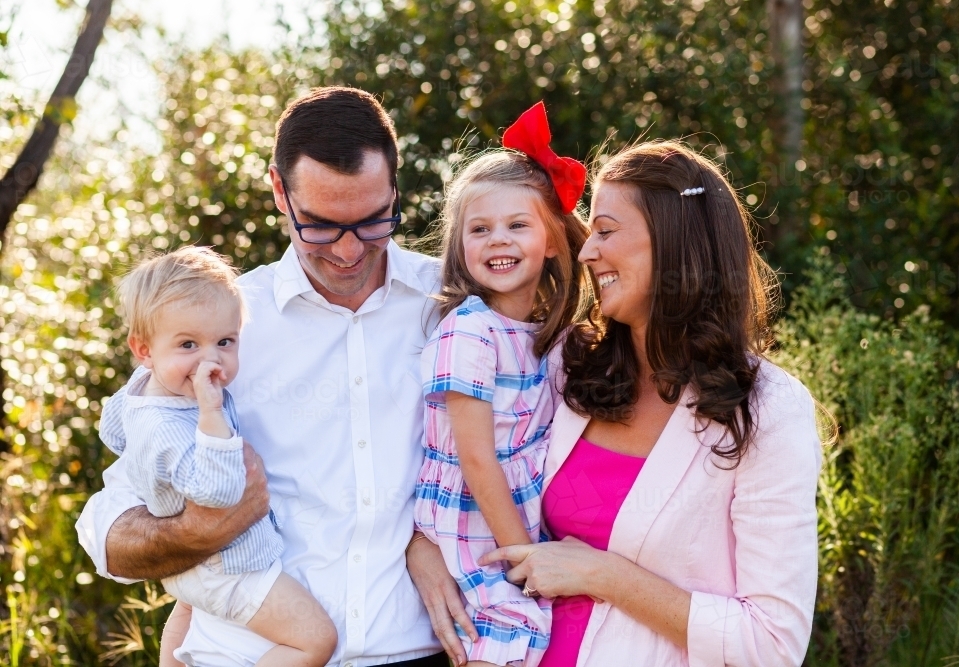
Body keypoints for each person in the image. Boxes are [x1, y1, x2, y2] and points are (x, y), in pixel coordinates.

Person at [77, 87, 480, 667]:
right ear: (277, 191)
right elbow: (109, 520)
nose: (347, 251)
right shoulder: (219, 325)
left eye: (372, 222)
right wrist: (194, 531)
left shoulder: (449, 308)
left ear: (395, 189)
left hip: (419, 651)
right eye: (319, 225)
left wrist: (424, 535)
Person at [480, 141, 822, 666]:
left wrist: (603, 575)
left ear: (675, 241)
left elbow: (772, 644)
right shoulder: (567, 366)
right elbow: (470, 466)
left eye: (607, 230)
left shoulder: (768, 409)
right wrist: (421, 549)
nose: (587, 251)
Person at [100, 246, 336, 667]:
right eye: (188, 344)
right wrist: (212, 415)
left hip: (197, 573)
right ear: (144, 350)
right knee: (315, 640)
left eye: (225, 341)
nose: (210, 360)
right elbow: (218, 493)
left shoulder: (142, 393)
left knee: (190, 615)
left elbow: (114, 430)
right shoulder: (174, 425)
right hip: (231, 568)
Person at [413, 103, 589, 667]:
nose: (498, 241)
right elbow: (477, 460)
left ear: (554, 241)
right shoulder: (471, 331)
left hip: (511, 513)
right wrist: (525, 556)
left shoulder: (544, 334)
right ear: (460, 245)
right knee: (509, 627)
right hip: (470, 516)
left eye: (518, 226)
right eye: (480, 229)